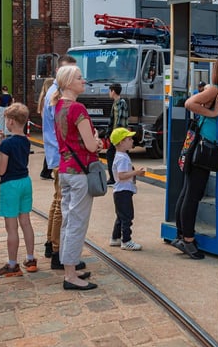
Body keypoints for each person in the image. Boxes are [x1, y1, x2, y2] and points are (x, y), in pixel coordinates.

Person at [53, 64, 101, 290]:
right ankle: (70, 275)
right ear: (69, 82)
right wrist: (98, 142)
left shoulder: (58, 106)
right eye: (80, 78)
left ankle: (69, 268)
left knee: (67, 220)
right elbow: (91, 145)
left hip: (65, 169)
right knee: (77, 223)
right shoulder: (78, 108)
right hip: (80, 171)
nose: (84, 81)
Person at [0, 103, 38, 277]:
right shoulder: (25, 141)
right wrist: (3, 137)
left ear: (11, 121)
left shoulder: (7, 144)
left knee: (11, 228)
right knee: (26, 222)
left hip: (10, 186)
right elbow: (16, 146)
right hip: (25, 182)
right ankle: (30, 259)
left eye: (6, 119)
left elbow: (1, 170)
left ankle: (12, 265)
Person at [172, 78, 218, 260]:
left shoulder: (215, 89)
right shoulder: (215, 89)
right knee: (192, 195)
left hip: (197, 149)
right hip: (202, 150)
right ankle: (187, 239)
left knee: (188, 193)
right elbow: (189, 103)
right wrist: (214, 113)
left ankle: (181, 235)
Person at [42, 55, 78, 263]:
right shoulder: (56, 95)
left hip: (55, 154)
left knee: (57, 201)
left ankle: (50, 243)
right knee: (62, 203)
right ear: (59, 72)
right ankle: (57, 250)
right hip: (61, 155)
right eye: (69, 72)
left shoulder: (53, 92)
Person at [108, 128, 144, 251]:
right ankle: (126, 240)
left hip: (120, 191)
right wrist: (136, 172)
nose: (132, 141)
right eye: (129, 139)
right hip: (123, 191)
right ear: (121, 142)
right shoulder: (122, 158)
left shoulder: (120, 156)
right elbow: (121, 175)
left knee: (121, 216)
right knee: (127, 216)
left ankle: (115, 238)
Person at [106, 83, 128, 185]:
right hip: (115, 135)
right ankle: (115, 177)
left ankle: (113, 178)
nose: (109, 93)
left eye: (109, 91)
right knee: (117, 156)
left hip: (119, 135)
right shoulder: (115, 103)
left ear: (113, 91)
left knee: (113, 155)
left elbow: (120, 120)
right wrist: (108, 133)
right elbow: (112, 120)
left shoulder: (121, 103)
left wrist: (118, 136)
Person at [37, 78, 55, 180]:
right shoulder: (47, 98)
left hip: (46, 126)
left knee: (50, 149)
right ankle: (45, 172)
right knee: (51, 149)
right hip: (49, 127)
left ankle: (46, 172)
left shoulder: (43, 97)